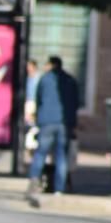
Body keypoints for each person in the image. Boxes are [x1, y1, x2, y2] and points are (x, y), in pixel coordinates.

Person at [28, 55, 79, 197]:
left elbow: (38, 100)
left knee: (40, 153)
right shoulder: (70, 80)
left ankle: (33, 181)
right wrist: (73, 123)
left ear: (51, 65)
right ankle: (59, 189)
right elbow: (75, 104)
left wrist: (37, 119)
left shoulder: (45, 79)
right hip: (64, 123)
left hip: (46, 122)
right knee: (61, 155)